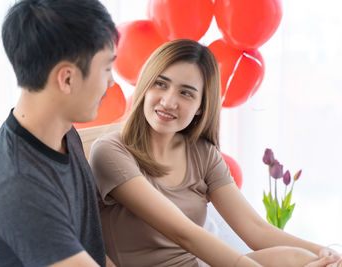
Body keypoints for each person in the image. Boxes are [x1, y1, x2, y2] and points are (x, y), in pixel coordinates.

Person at [89, 39, 342, 267]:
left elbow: (256, 230)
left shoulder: (203, 154)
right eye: (160, 84)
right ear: (145, 87)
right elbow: (184, 233)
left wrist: (328, 255)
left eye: (186, 93)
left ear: (201, 107)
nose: (168, 101)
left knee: (300, 259)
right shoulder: (110, 151)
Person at [0, 0, 118, 266]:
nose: (112, 81)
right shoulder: (17, 184)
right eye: (106, 68)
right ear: (67, 79)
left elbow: (89, 250)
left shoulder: (64, 133)